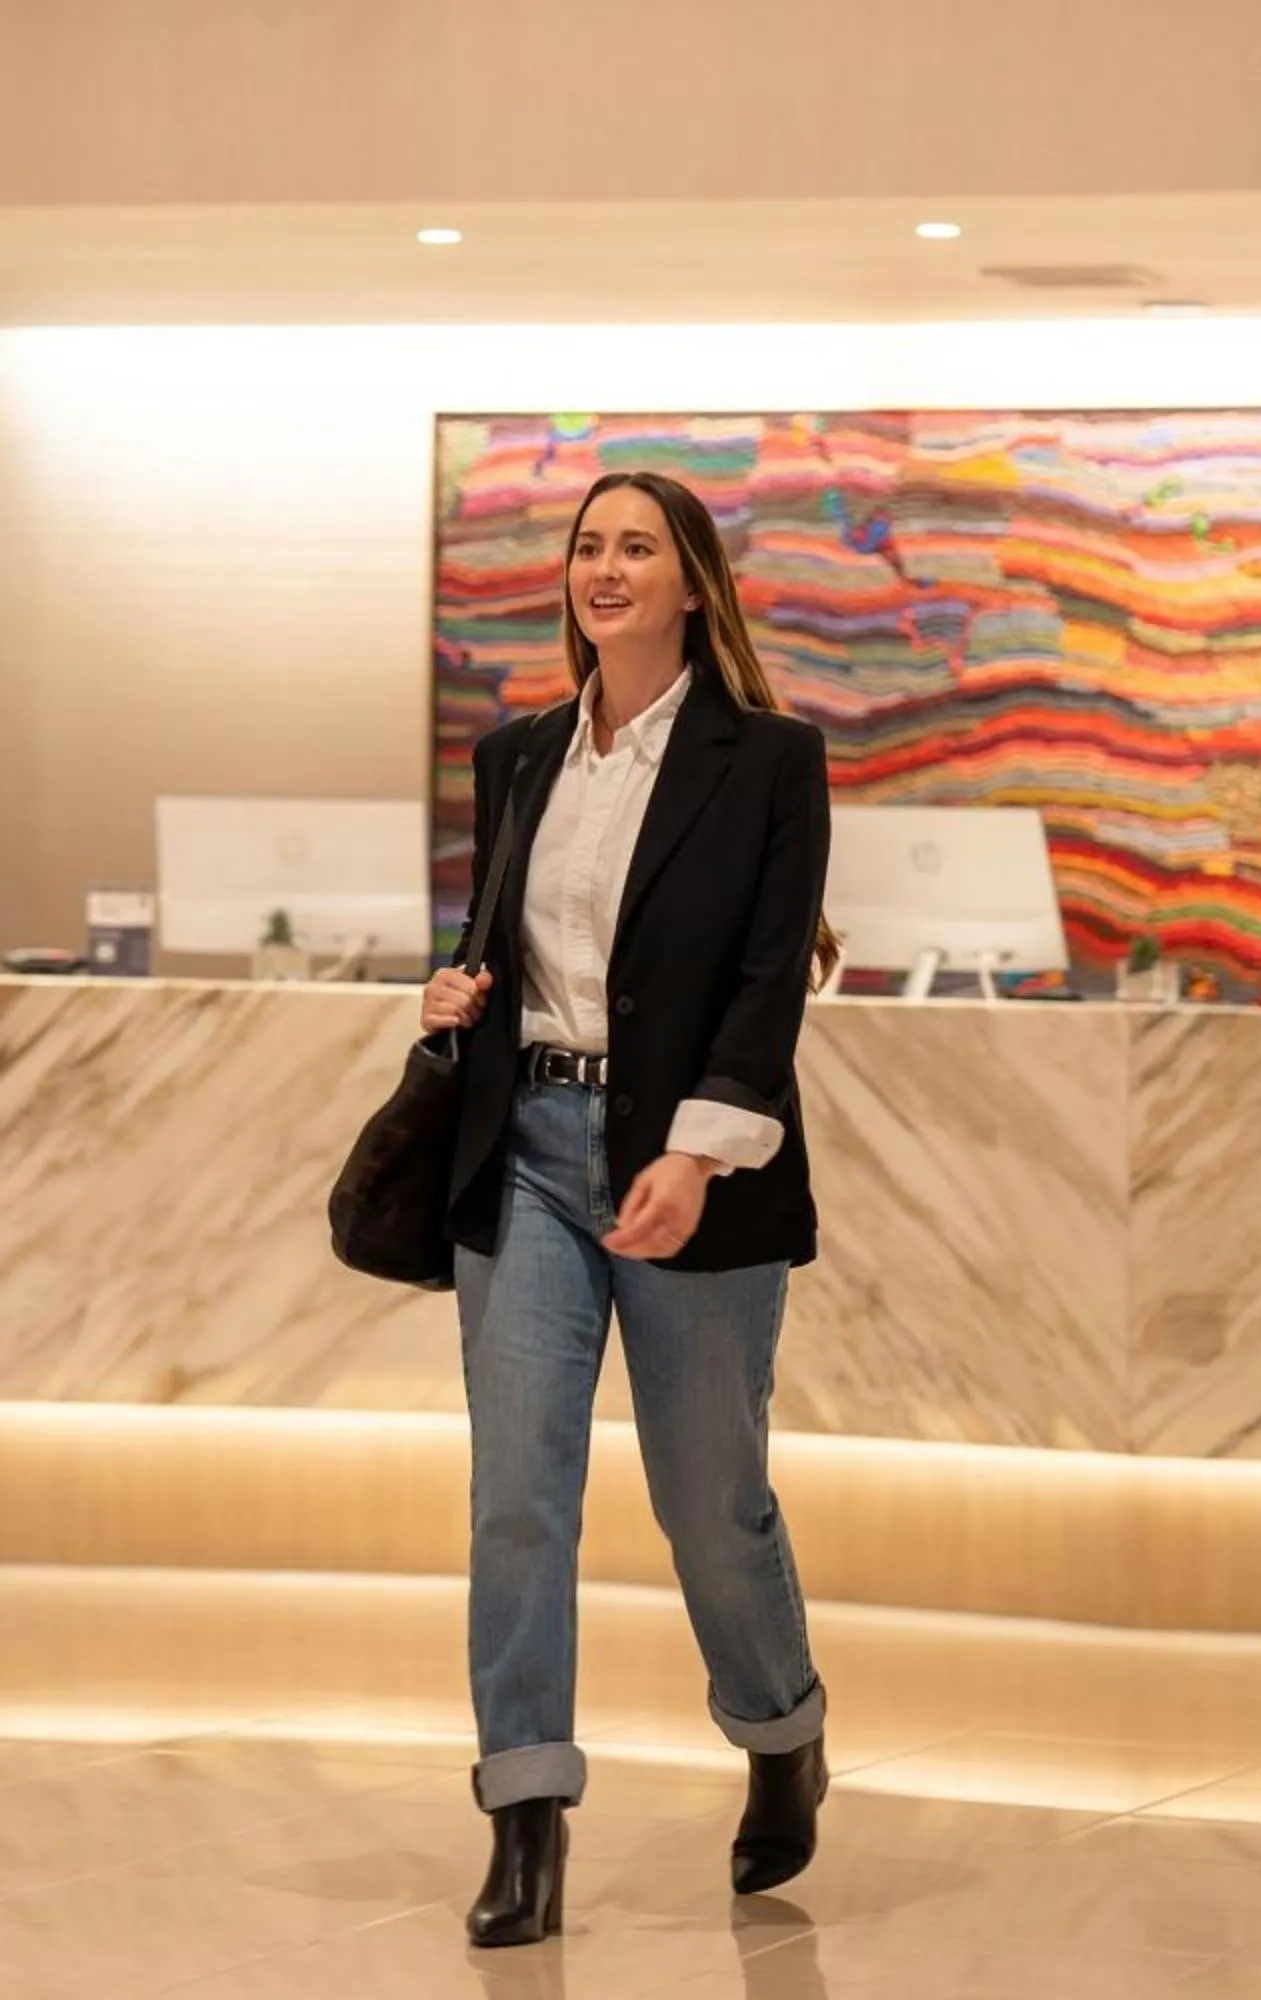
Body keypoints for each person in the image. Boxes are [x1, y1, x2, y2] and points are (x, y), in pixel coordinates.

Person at [419, 470, 836, 1948]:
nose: (604, 567)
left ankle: (781, 1730)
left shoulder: (770, 760)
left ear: (690, 583)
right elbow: (507, 938)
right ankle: (525, 1821)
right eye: (587, 546)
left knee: (705, 1503)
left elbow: (765, 978)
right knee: (517, 1494)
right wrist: (456, 988)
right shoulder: (520, 751)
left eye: (635, 547)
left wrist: (698, 1150)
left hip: (692, 1168)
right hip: (522, 1146)